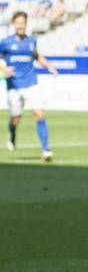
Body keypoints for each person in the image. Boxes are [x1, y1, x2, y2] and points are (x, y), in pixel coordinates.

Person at [1, 11, 58, 161]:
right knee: (16, 118)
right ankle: (12, 132)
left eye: (23, 22)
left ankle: (46, 150)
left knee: (39, 113)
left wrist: (49, 66)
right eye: (18, 22)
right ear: (14, 24)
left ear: (26, 24)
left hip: (31, 82)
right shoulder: (6, 42)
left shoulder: (31, 41)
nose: (20, 25)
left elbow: (36, 56)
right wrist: (3, 69)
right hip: (13, 85)